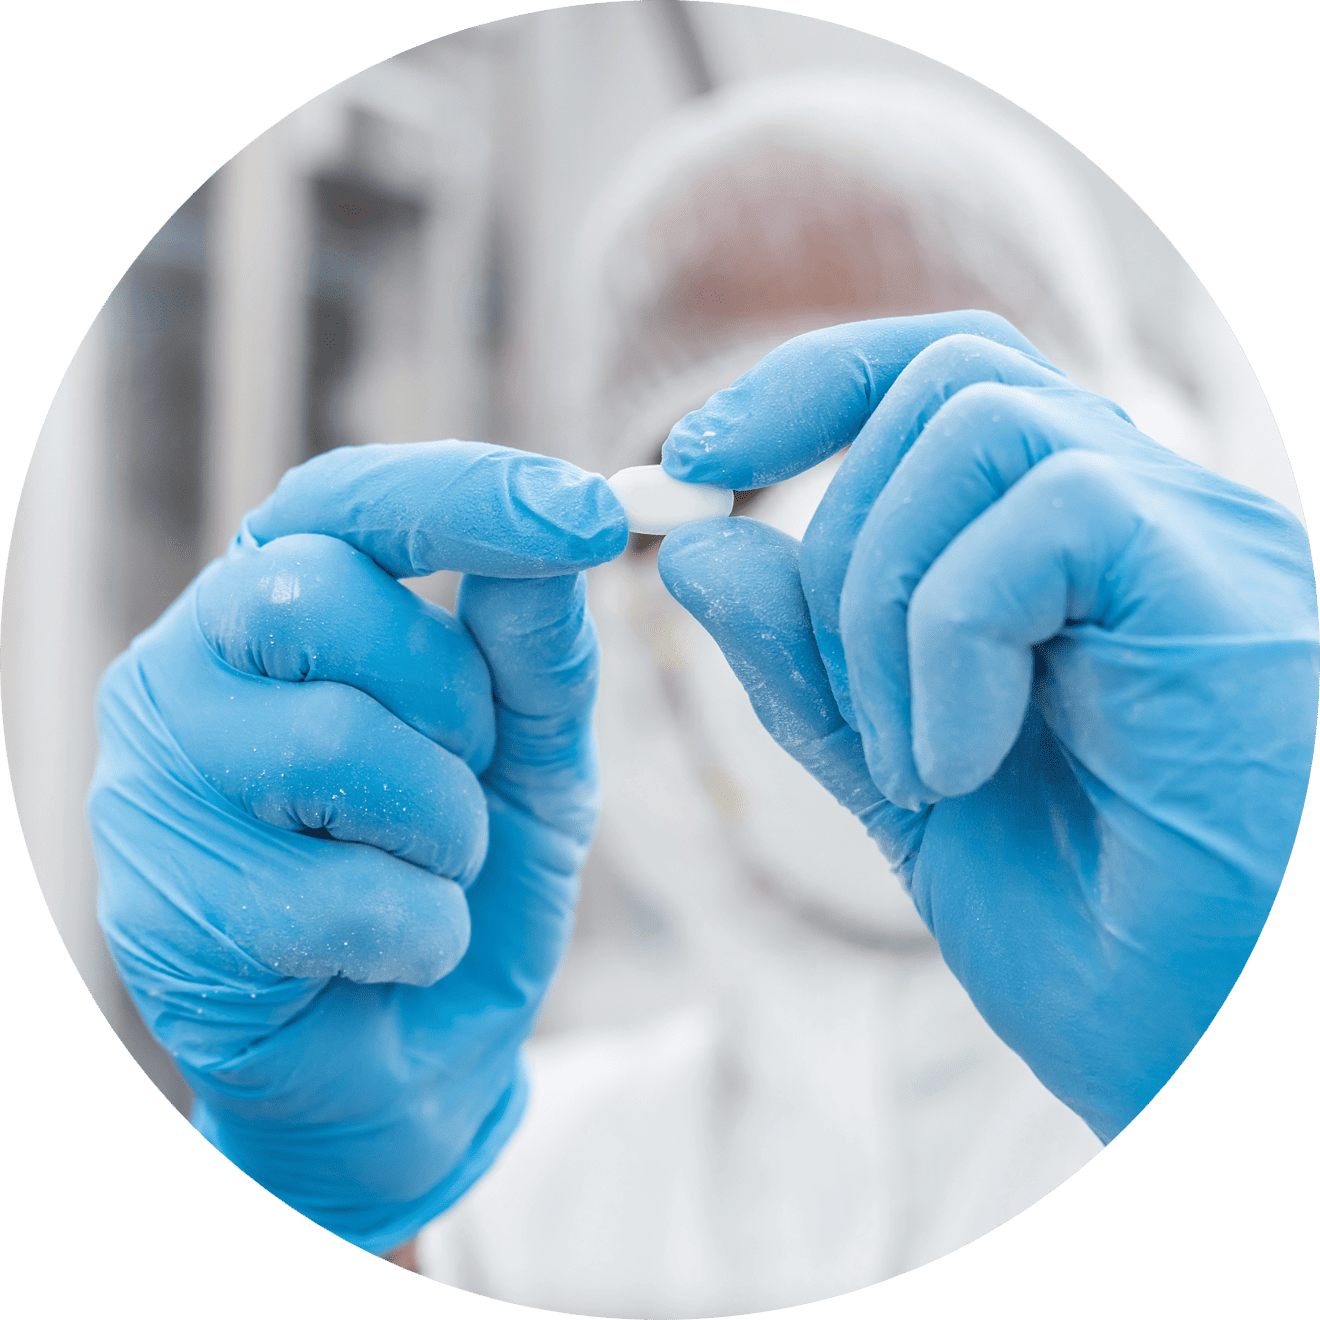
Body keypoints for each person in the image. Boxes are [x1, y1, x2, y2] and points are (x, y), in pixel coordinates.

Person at [88, 74, 1316, 1319]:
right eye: (735, 489)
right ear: (631, 617)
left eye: (938, 456)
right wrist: (326, 1205)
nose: (857, 575)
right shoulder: (511, 1206)